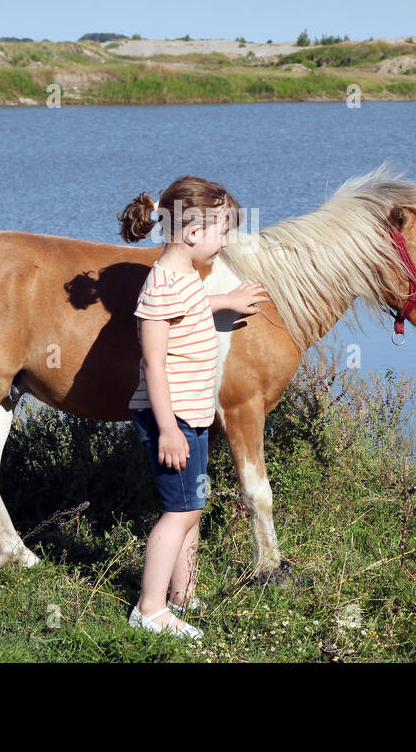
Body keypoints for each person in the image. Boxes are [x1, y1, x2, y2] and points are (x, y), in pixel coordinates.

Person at [116, 175, 267, 639]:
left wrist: (228, 300)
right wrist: (167, 430)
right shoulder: (160, 286)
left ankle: (185, 596)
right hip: (173, 417)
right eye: (222, 230)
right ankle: (150, 608)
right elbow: (154, 366)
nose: (226, 240)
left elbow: (194, 302)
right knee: (178, 512)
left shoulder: (182, 279)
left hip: (192, 415)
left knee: (192, 506)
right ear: (192, 231)